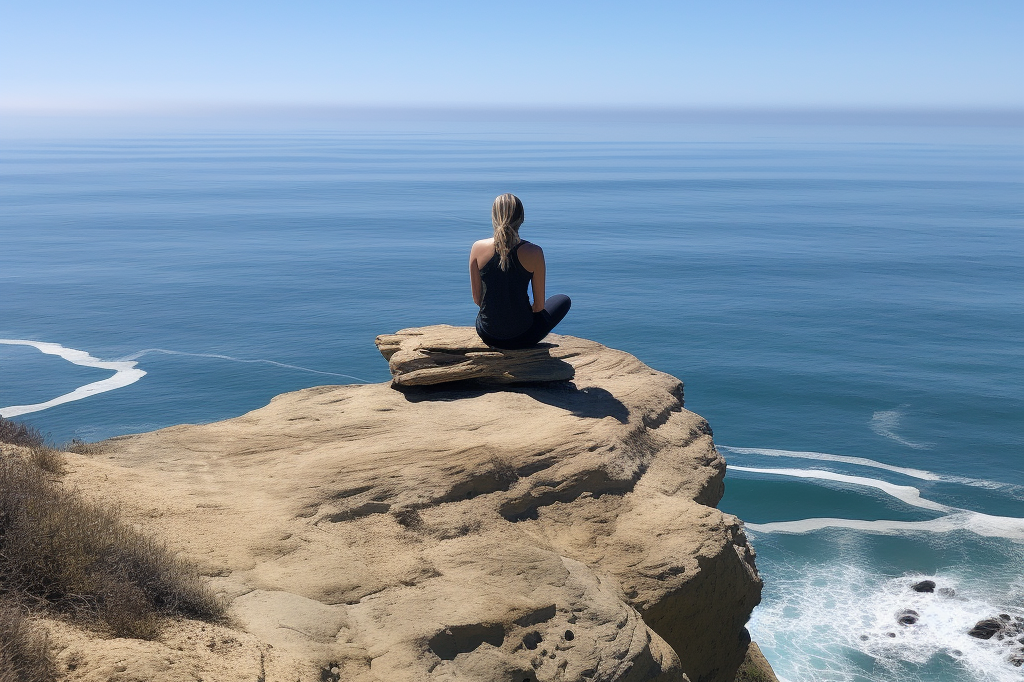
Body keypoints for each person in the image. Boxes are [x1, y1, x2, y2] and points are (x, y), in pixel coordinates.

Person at [470, 193, 571, 349]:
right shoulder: (534, 252)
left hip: (487, 334)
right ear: (521, 218)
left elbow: (478, 300)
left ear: (494, 216)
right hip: (522, 337)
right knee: (563, 300)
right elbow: (538, 306)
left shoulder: (477, 248)